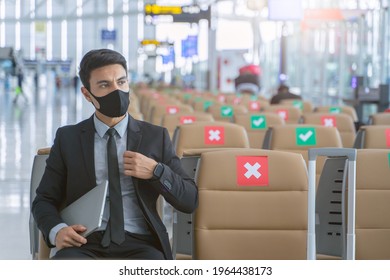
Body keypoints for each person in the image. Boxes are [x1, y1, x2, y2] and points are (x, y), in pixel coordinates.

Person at [32, 49, 198, 260]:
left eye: (121, 82)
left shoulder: (154, 137)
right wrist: (57, 231)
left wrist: (156, 171)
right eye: (104, 85)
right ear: (87, 94)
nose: (116, 90)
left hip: (141, 244)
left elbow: (189, 200)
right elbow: (43, 200)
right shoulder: (69, 139)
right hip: (84, 242)